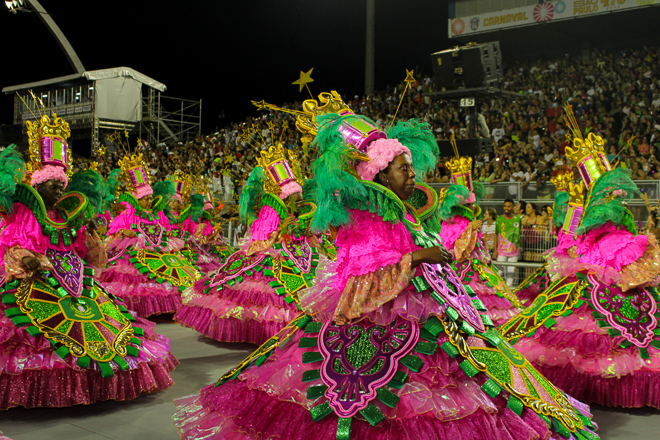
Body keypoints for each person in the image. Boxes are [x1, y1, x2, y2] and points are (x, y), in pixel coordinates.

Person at [172, 97, 597, 440]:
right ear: (378, 175)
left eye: (411, 167)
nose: (412, 175)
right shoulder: (365, 215)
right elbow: (363, 272)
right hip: (376, 314)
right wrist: (418, 257)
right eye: (402, 168)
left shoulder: (395, 209)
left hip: (426, 308)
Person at [0, 116, 177, 409]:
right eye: (53, 184)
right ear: (38, 184)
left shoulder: (66, 214)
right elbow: (14, 243)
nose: (58, 189)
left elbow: (87, 255)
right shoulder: (24, 210)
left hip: (75, 289)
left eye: (61, 184)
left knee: (106, 333)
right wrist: (28, 258)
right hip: (34, 287)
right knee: (36, 337)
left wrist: (92, 238)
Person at [501, 105, 660, 408]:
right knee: (590, 320)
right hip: (598, 256)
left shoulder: (610, 216)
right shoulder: (595, 214)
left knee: (605, 318)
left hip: (608, 255)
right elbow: (581, 232)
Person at [174, 144, 334, 345]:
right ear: (286, 197)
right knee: (265, 295)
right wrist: (281, 232)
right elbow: (261, 238)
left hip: (301, 254)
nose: (297, 202)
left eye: (299, 197)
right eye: (294, 198)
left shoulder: (302, 210)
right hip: (272, 253)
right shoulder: (272, 208)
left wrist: (307, 229)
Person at [99, 138, 202, 317]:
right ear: (137, 199)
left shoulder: (155, 214)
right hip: (133, 251)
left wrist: (167, 233)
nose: (149, 201)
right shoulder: (128, 214)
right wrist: (128, 233)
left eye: (149, 198)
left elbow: (163, 229)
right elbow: (116, 232)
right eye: (145, 199)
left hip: (157, 251)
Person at [493, 199, 521, 287]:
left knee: (511, 274)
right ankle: (499, 291)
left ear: (513, 207)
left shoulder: (518, 219)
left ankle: (509, 294)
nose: (506, 208)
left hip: (514, 251)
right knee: (499, 272)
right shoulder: (499, 219)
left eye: (508, 206)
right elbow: (496, 234)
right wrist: (495, 250)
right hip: (501, 251)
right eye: (505, 206)